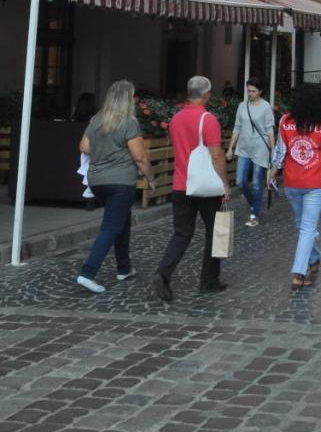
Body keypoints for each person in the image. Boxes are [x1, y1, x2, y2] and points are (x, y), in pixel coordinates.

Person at [152, 75, 230, 303]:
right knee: (215, 232)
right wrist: (225, 184)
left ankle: (163, 273)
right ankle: (209, 280)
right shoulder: (208, 120)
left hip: (180, 183)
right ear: (206, 95)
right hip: (205, 186)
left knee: (181, 233)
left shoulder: (175, 119)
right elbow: (216, 155)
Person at [76, 80, 156, 294]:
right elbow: (139, 156)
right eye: (132, 97)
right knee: (111, 227)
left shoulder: (96, 119)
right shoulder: (129, 123)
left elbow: (83, 146)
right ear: (127, 99)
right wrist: (151, 179)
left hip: (97, 180)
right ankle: (87, 273)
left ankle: (124, 267)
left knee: (122, 221)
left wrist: (104, 151)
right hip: (120, 181)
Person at [268, 82, 321, 289]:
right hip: (316, 182)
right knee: (306, 227)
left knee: (301, 225)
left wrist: (273, 172)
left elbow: (280, 150)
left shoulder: (285, 121)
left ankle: (313, 260)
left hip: (292, 182)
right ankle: (299, 273)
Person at [226, 77, 275, 228]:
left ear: (260, 91)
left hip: (260, 148)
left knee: (256, 182)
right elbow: (237, 127)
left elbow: (269, 130)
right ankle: (255, 201)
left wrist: (272, 151)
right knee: (240, 181)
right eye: (248, 91)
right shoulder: (242, 106)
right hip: (243, 148)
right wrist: (230, 148)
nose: (250, 94)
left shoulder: (266, 107)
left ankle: (254, 214)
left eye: (253, 91)